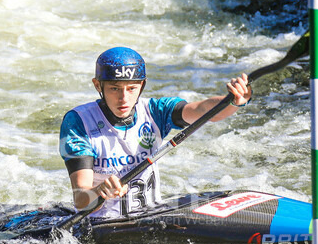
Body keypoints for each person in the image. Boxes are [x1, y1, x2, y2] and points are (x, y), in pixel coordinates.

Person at [59, 46, 252, 219]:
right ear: (97, 85)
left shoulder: (155, 111)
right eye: (114, 88)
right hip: (101, 223)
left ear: (142, 85)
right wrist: (100, 190)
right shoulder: (79, 122)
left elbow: (202, 110)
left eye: (131, 88)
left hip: (150, 217)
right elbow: (81, 199)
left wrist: (234, 101)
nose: (123, 98)